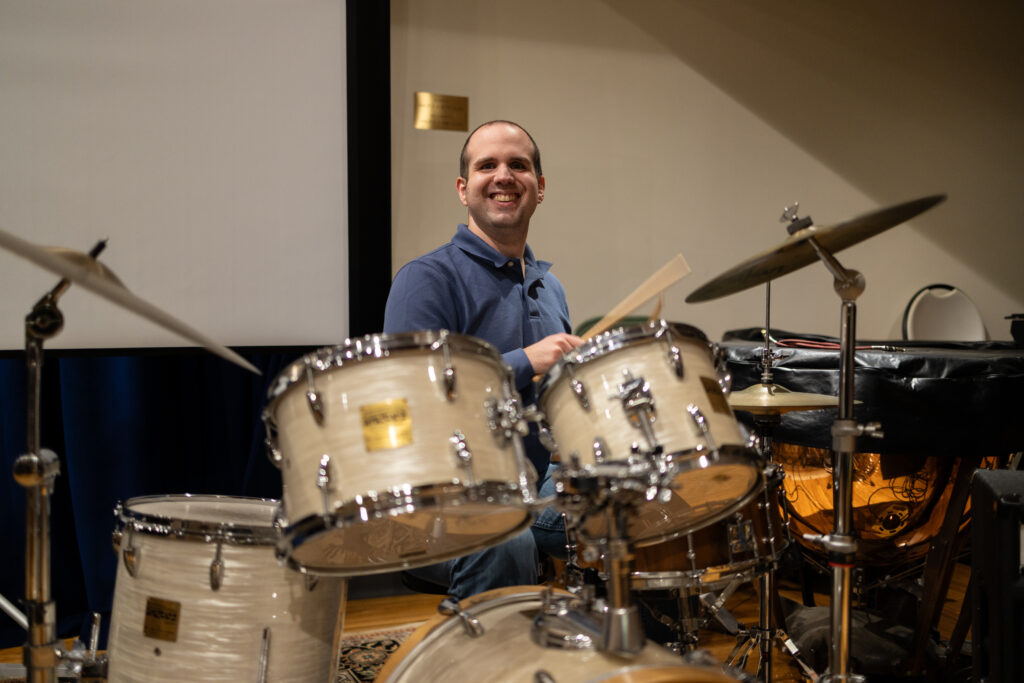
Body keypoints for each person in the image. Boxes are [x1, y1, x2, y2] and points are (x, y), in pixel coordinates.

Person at [383, 120, 583, 599]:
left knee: (637, 505)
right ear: (463, 189)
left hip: (532, 482)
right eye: (487, 165)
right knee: (505, 539)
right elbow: (412, 401)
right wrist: (525, 361)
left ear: (539, 188)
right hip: (439, 495)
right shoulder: (426, 278)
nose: (504, 175)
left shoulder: (549, 288)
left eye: (518, 165)